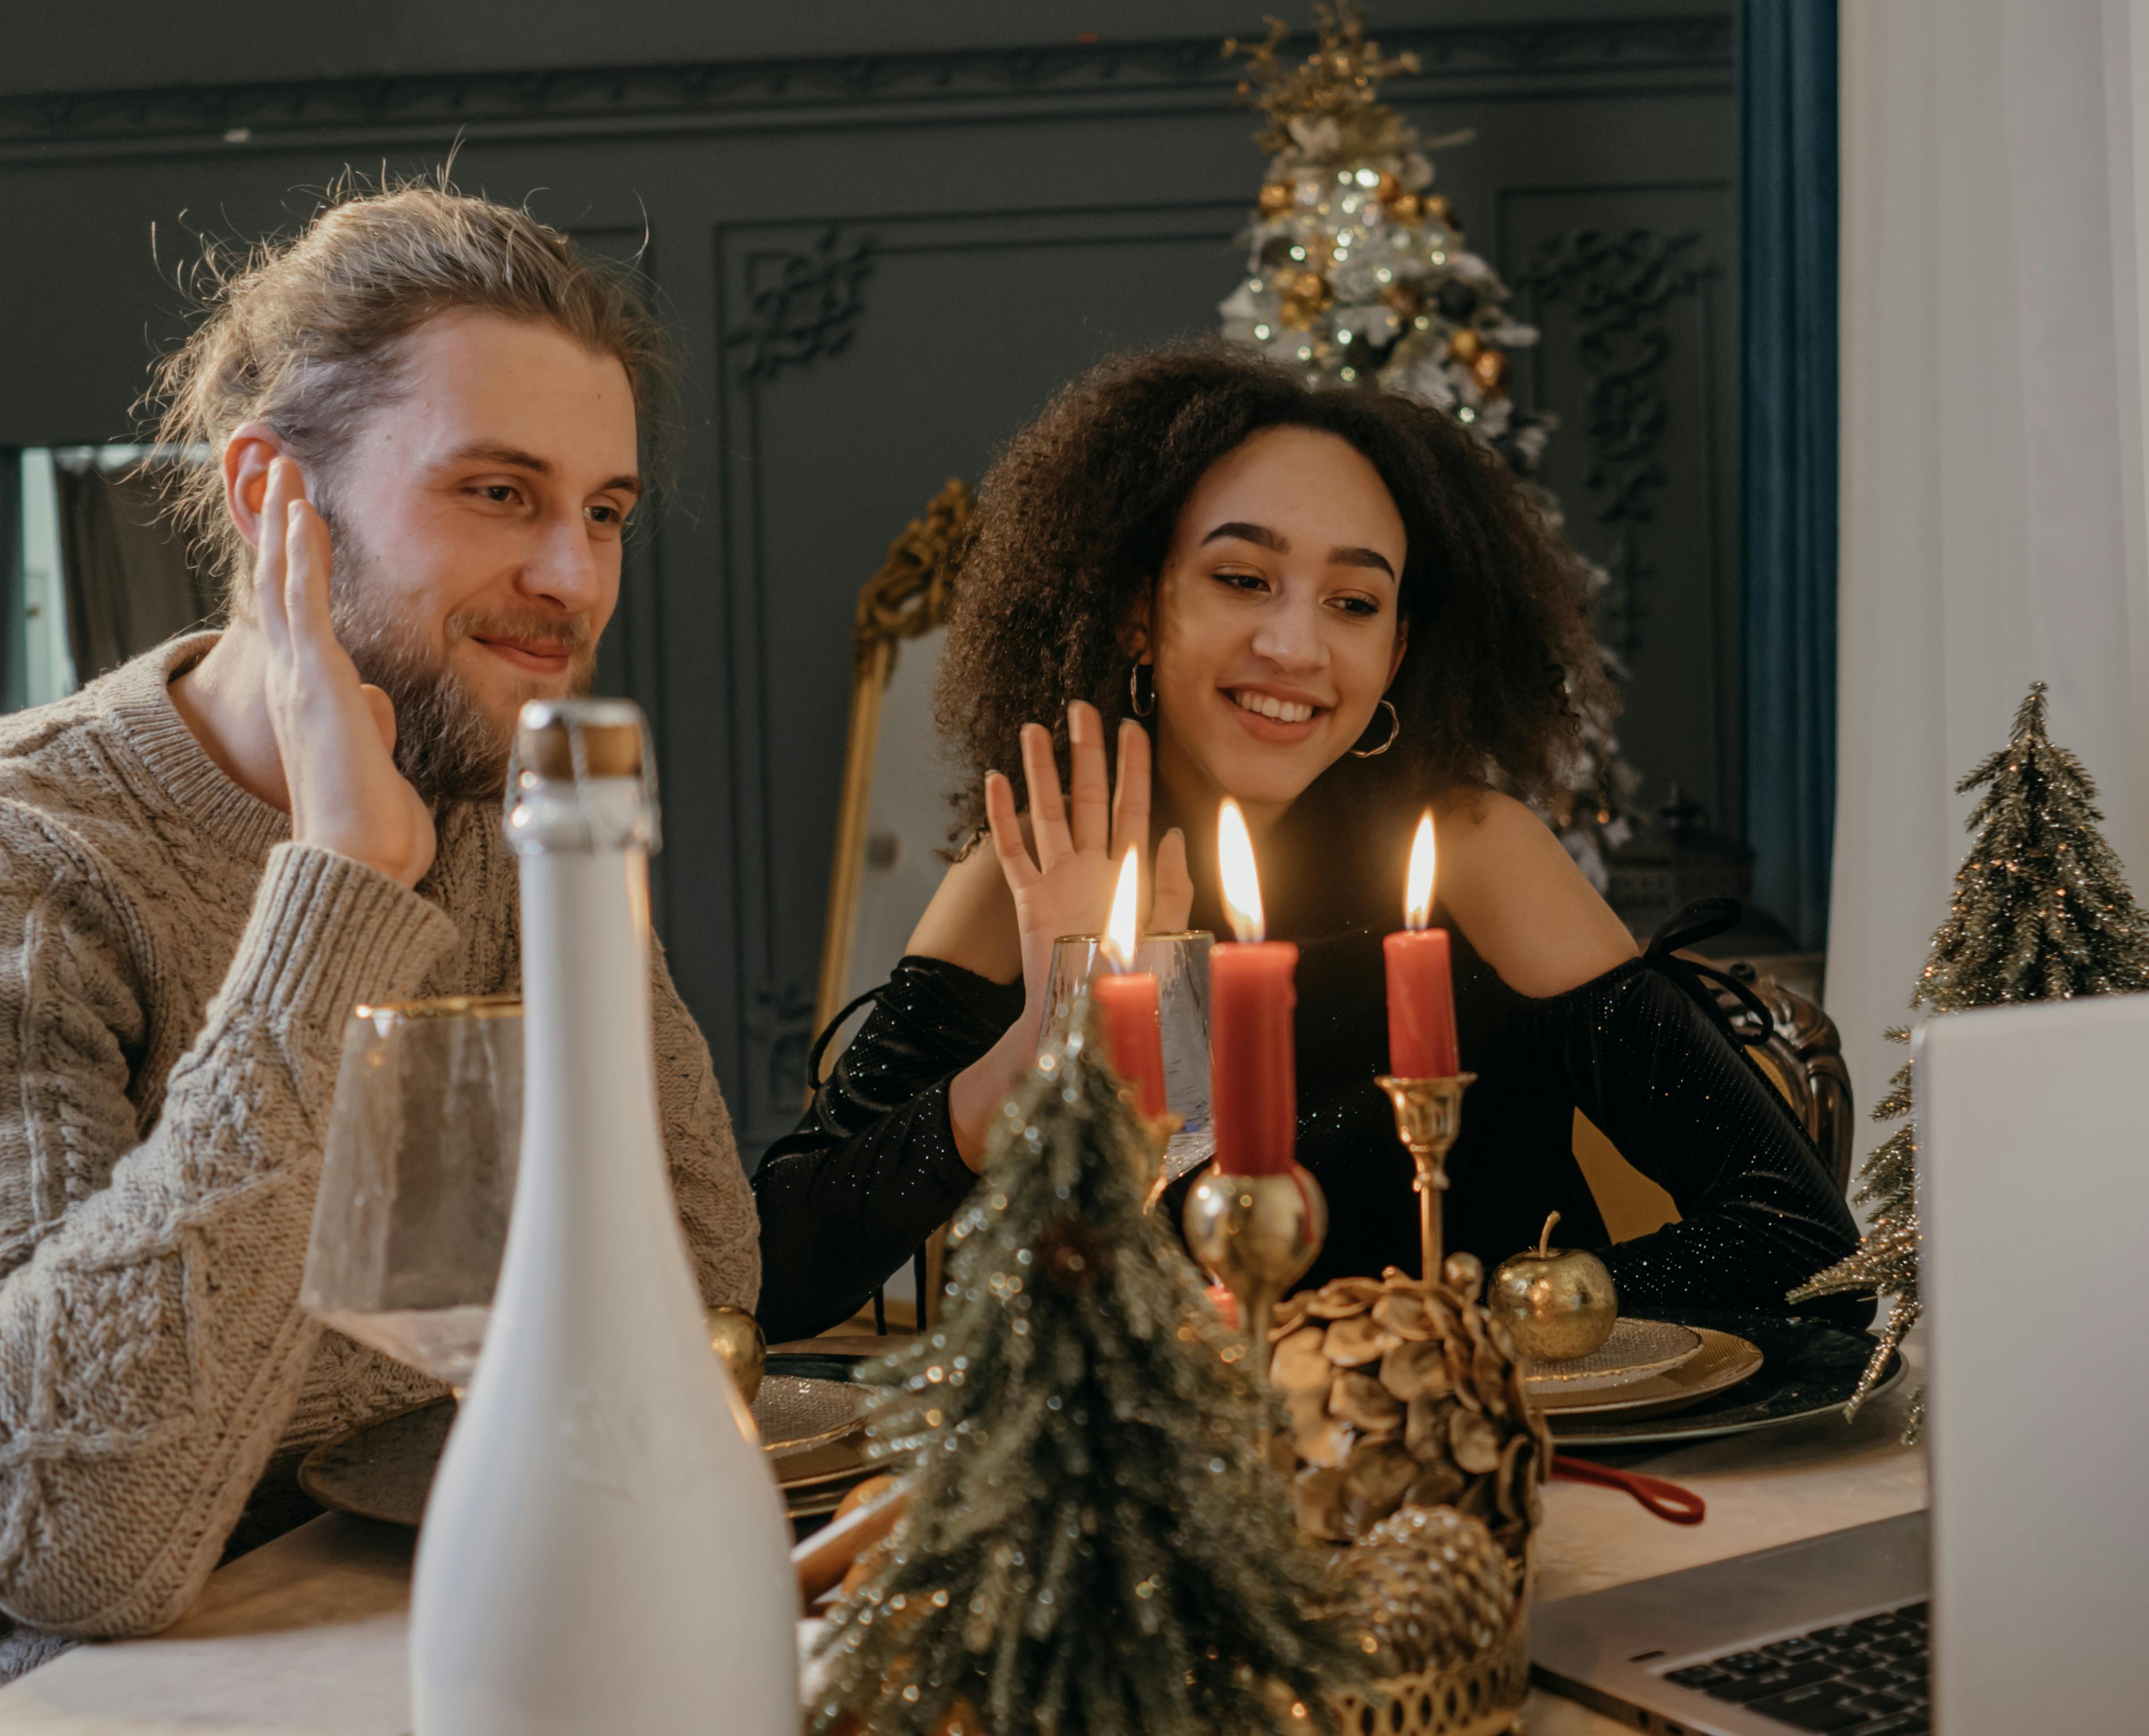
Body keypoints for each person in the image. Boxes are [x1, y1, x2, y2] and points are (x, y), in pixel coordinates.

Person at [0, 181, 757, 1669]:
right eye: (499, 492)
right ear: (269, 494)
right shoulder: (37, 861)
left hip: (473, 1632)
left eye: (602, 512)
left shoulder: (505, 806)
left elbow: (703, 1291)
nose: (575, 577)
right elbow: (69, 1533)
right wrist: (339, 888)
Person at [753, 341, 1862, 1342]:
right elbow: (778, 1271)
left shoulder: (1476, 855)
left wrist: (1454, 1330)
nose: (1297, 643)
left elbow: (1799, 1234)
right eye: (1242, 579)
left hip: (1479, 1482)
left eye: (1352, 601)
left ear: (1397, 647)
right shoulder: (1035, 869)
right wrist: (1020, 1060)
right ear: (1139, 607)